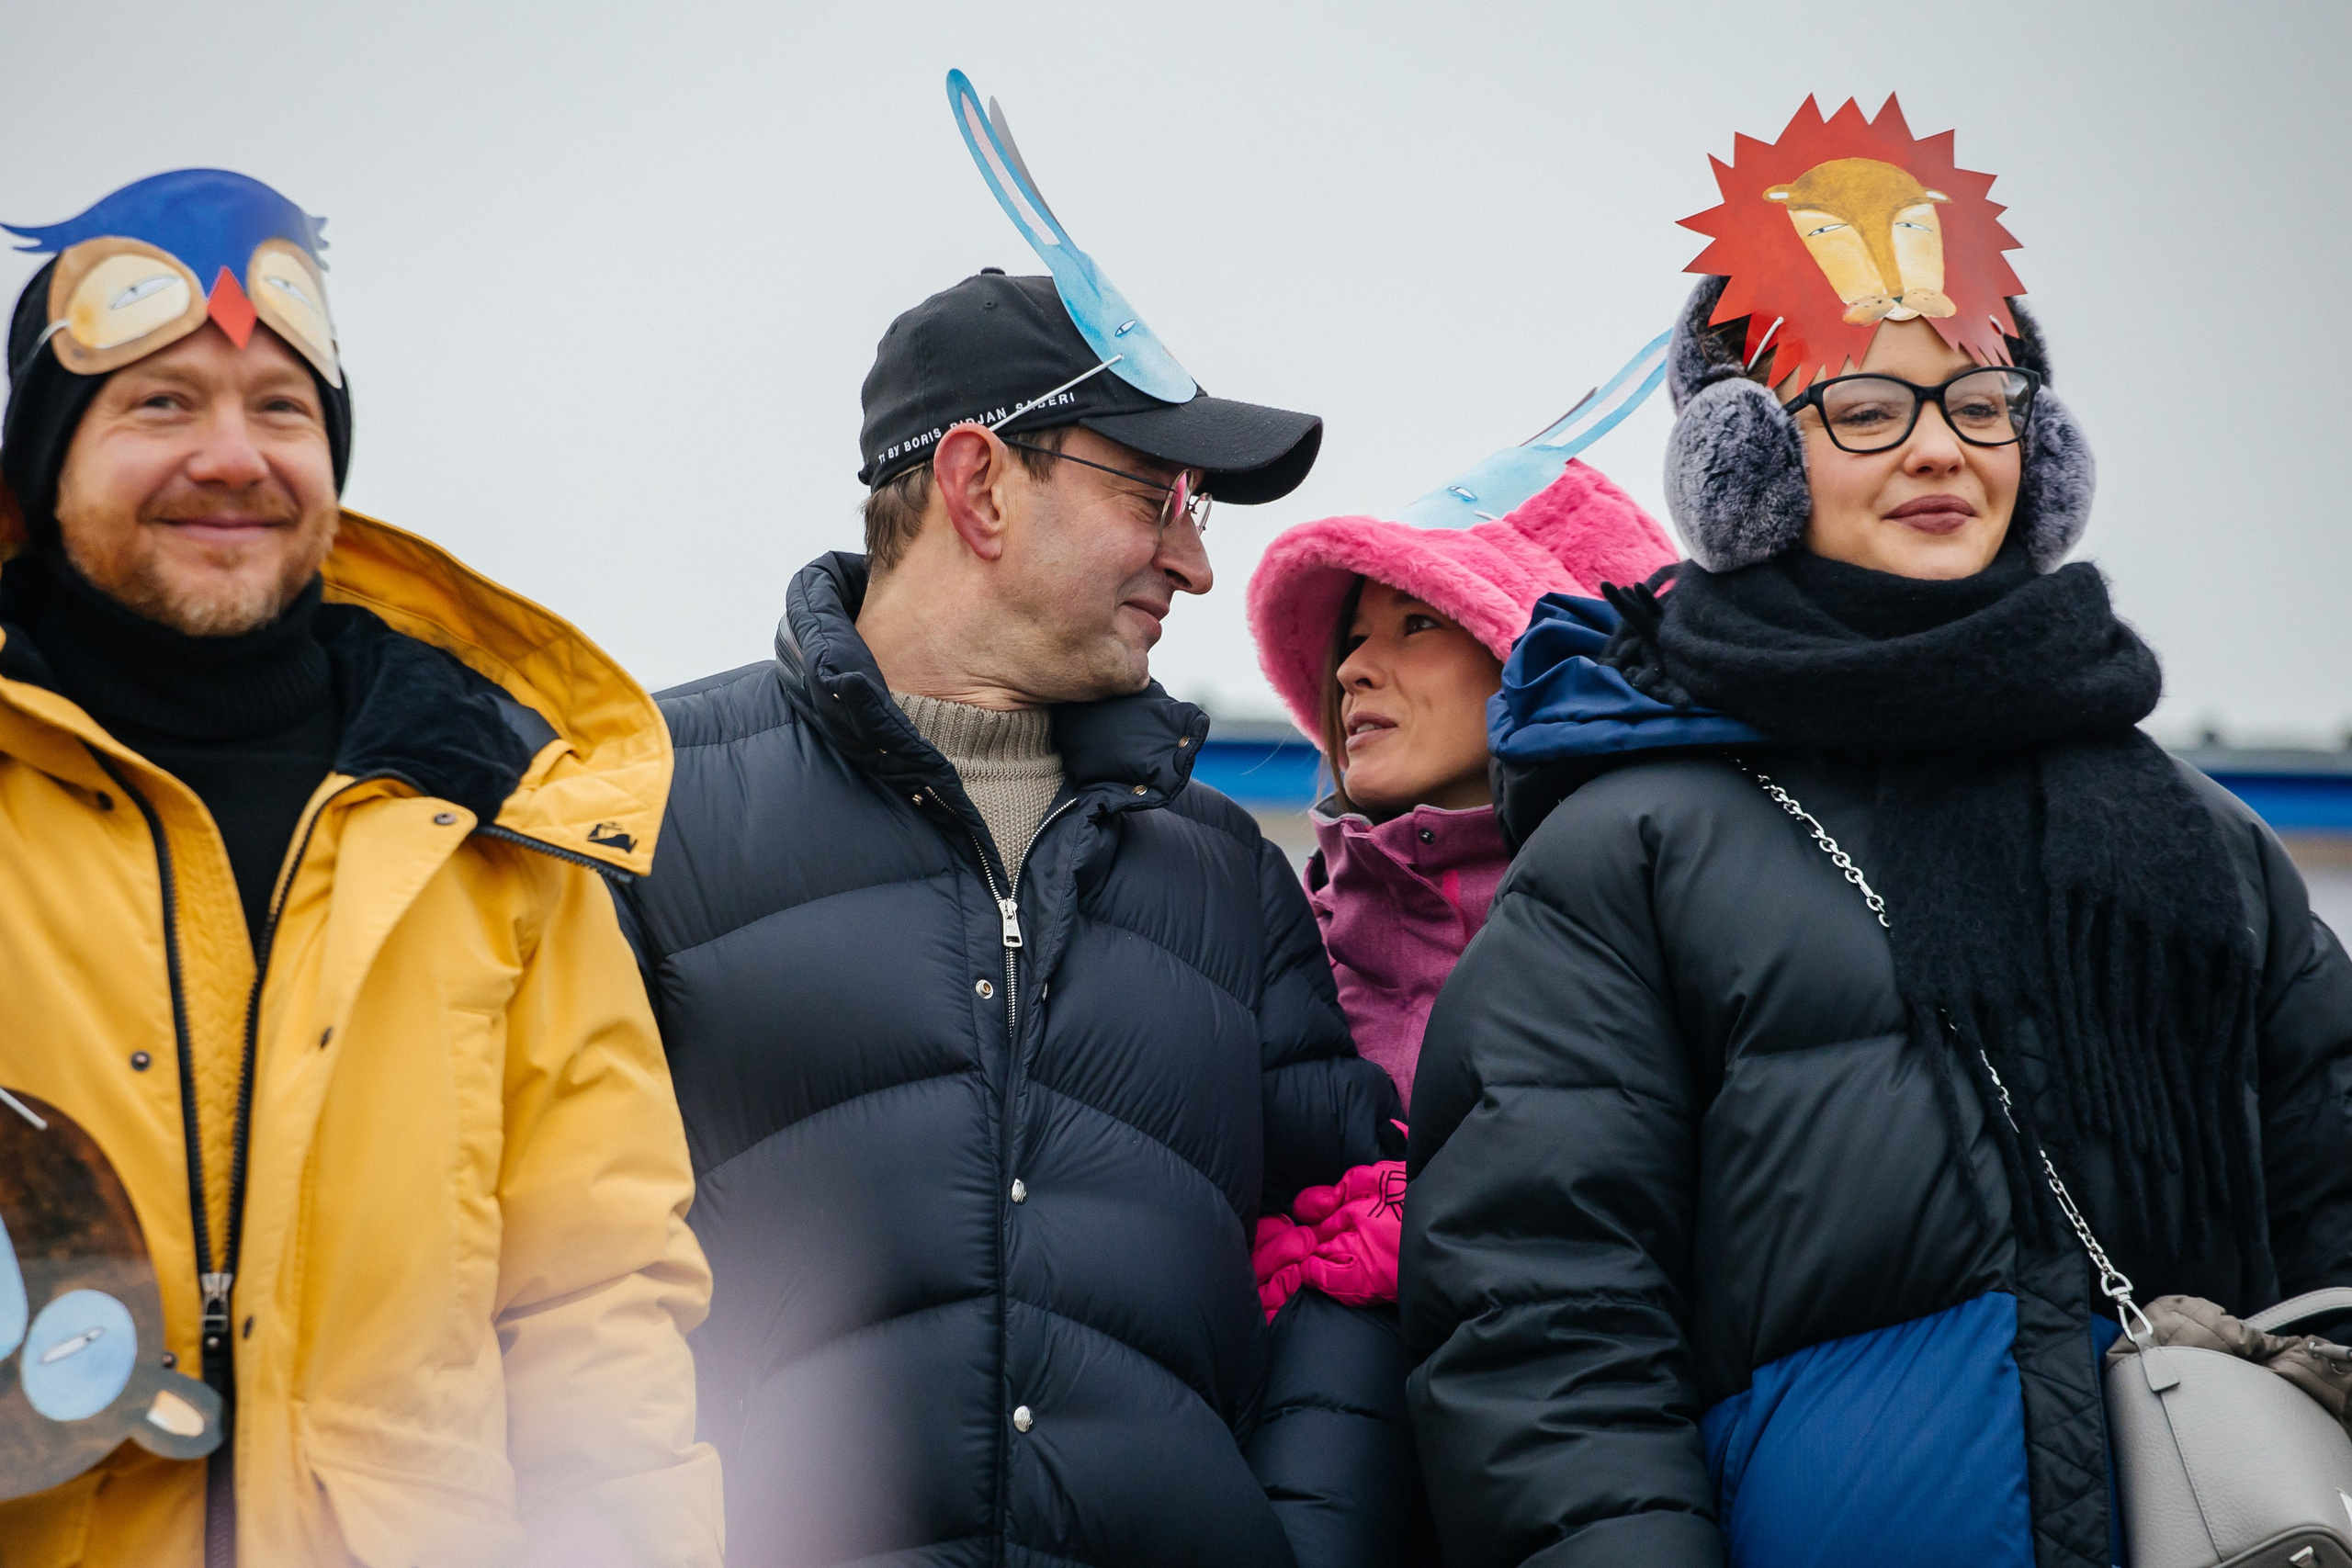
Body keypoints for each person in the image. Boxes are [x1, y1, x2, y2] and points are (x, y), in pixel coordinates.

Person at [1399, 98, 2352, 1568]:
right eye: (1863, 406)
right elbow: (1541, 1319)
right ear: (1742, 460)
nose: (1939, 450)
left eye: (1980, 401)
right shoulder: (1635, 851)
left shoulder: (2203, 841)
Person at [616, 183, 1404, 1568]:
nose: (1198, 560)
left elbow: (1355, 1240)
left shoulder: (1228, 878)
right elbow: (524, 1266)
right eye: (1157, 494)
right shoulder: (644, 804)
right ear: (979, 483)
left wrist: (1297, 1542)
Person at [0, 170, 718, 1567]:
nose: (233, 454)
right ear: (43, 461)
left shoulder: (497, 821)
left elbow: (598, 1304)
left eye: (281, 406)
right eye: (160, 402)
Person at [1241, 457, 1678, 1563]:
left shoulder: (1674, 927)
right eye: (1349, 637)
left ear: (1533, 654)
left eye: (1413, 625)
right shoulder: (1269, 945)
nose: (1353, 669)